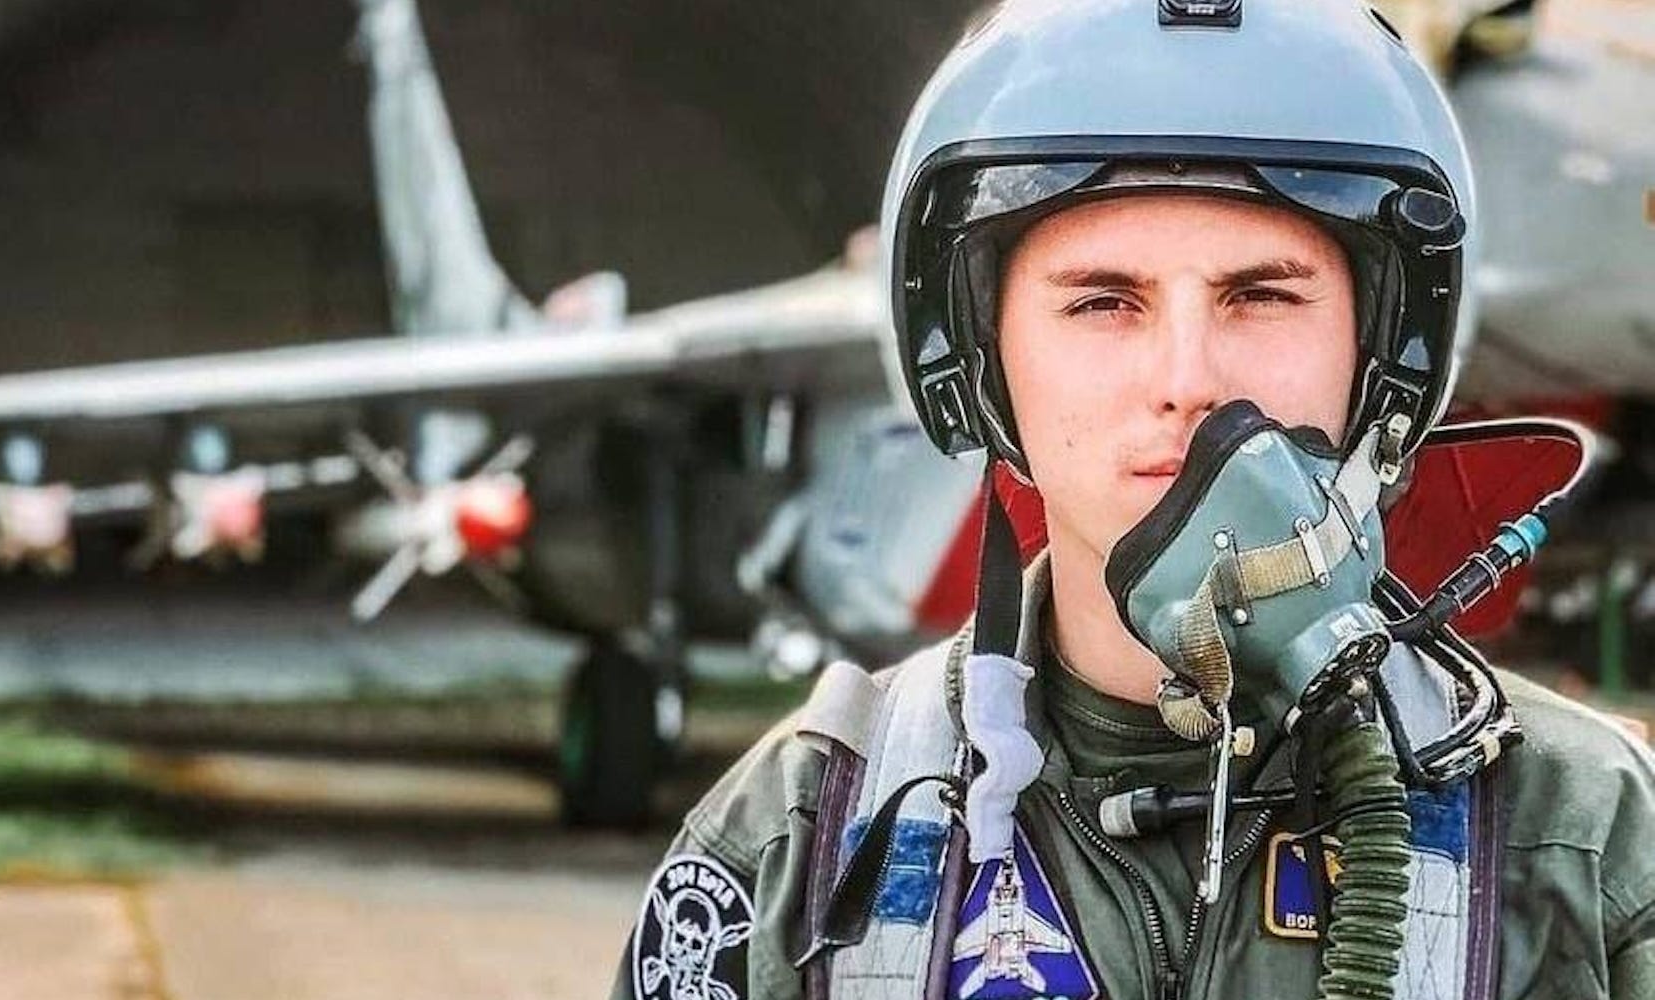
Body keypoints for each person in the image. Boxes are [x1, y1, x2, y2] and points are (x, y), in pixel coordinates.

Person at [611, 1, 1655, 998]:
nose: (1186, 377)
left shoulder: (1584, 845)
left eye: (1261, 295)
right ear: (983, 359)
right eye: (1102, 302)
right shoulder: (798, 844)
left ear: (1377, 355)